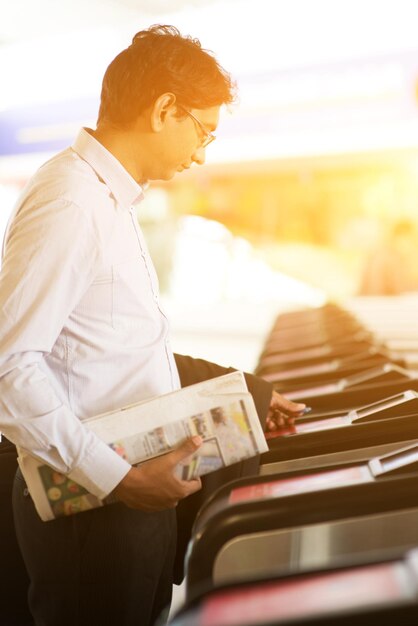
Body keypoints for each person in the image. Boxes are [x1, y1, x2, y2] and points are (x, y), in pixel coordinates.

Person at [0, 25, 305, 626]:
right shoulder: (71, 201)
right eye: (203, 131)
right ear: (165, 109)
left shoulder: (108, 200)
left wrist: (245, 397)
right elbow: (9, 366)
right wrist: (119, 480)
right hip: (94, 507)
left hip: (128, 493)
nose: (202, 154)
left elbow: (118, 356)